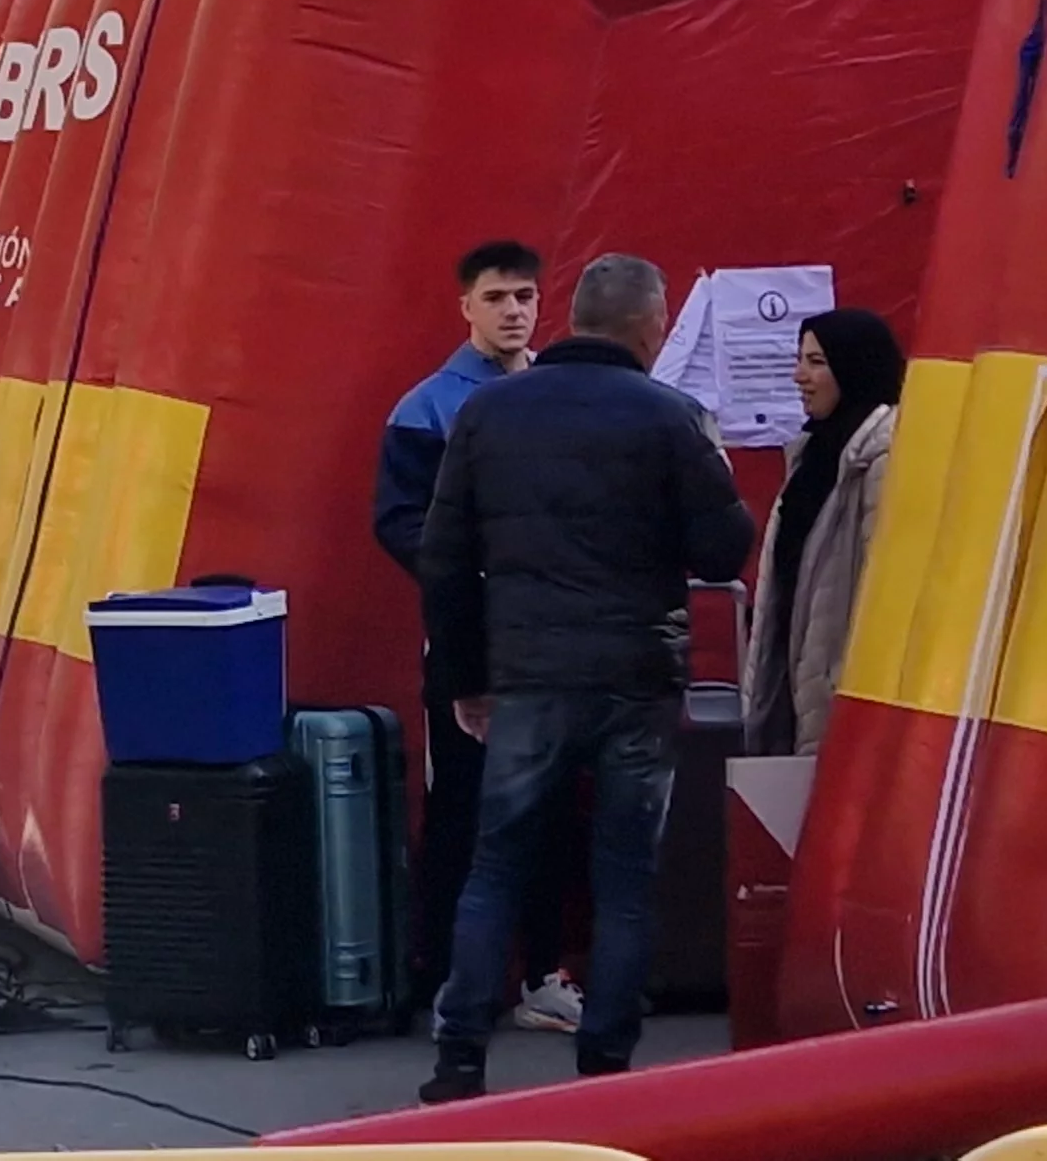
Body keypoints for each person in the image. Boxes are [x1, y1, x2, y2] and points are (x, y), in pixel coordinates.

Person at [416, 254, 755, 1102]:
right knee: (624, 877)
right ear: (650, 323)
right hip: (636, 676)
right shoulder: (673, 418)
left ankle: (459, 1058)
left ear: (571, 314)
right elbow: (722, 548)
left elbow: (446, 561)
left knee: (495, 867)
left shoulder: (488, 414)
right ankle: (605, 1067)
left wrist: (465, 680)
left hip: (526, 677)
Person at [376, 240, 588, 1034]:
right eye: (496, 297)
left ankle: (540, 975)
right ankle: (447, 982)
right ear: (465, 307)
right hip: (469, 643)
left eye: (526, 297)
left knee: (556, 809)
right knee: (463, 811)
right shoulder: (426, 407)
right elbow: (398, 522)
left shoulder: (560, 395)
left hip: (555, 642)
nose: (513, 311)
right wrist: (478, 578)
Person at [748, 310, 905, 758]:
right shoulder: (811, 456)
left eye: (816, 362)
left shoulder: (884, 457)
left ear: (854, 366)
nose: (800, 376)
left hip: (844, 696)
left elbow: (883, 589)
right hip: (798, 685)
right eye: (801, 360)